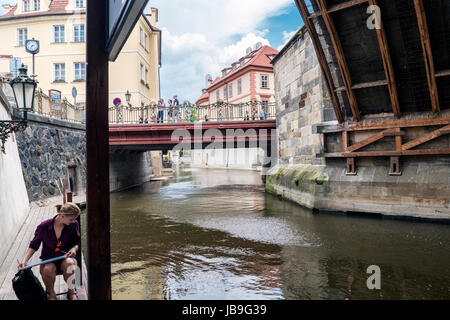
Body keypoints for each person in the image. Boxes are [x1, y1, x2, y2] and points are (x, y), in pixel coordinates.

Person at [18, 203, 81, 300]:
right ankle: (51, 295)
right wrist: (24, 261)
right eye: (71, 219)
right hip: (49, 259)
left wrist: (74, 249)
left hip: (65, 258)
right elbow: (34, 245)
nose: (73, 221)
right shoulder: (44, 226)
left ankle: (71, 291)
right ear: (62, 216)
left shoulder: (73, 225)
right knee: (47, 269)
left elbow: (76, 243)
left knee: (70, 263)